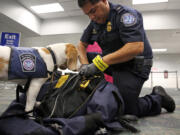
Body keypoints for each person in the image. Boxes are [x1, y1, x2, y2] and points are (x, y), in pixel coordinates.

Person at [77, 0, 175, 117]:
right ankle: (94, 88)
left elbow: (136, 47)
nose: (91, 17)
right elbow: (81, 45)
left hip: (134, 65)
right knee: (83, 57)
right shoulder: (94, 22)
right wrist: (84, 65)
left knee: (124, 109)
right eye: (87, 14)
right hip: (113, 63)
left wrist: (100, 63)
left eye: (93, 11)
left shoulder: (125, 15)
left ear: (104, 1)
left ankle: (158, 98)